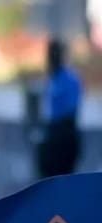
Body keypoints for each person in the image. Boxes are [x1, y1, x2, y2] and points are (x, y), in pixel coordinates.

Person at [37, 39, 83, 179]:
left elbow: (70, 109)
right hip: (52, 133)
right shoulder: (51, 79)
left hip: (64, 133)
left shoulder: (70, 79)